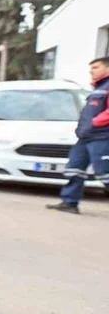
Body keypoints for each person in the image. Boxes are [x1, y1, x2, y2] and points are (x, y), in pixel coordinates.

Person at [46, 57, 109, 213]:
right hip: (86, 137)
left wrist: (94, 123)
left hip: (102, 137)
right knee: (74, 169)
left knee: (105, 173)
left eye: (95, 67)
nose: (91, 71)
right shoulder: (98, 88)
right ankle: (70, 202)